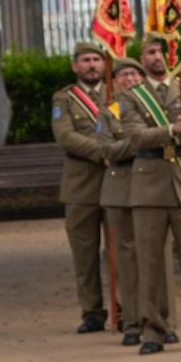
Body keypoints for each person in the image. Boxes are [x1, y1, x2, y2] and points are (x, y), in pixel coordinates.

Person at [115, 39, 181, 355]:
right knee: (149, 262)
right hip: (148, 184)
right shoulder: (131, 98)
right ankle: (154, 330)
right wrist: (173, 130)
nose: (157, 57)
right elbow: (135, 137)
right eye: (150, 53)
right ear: (142, 60)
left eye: (162, 51)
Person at [51, 41, 117, 335]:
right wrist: (102, 150)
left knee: (120, 250)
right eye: (86, 60)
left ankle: (123, 307)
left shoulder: (117, 94)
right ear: (75, 66)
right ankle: (92, 311)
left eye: (97, 60)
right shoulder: (64, 98)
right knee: (85, 252)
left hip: (117, 182)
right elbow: (65, 136)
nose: (92, 65)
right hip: (81, 186)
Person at [100, 56, 145, 345]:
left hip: (154, 185)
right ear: (114, 83)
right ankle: (132, 319)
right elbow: (107, 149)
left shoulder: (153, 107)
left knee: (154, 258)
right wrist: (141, 141)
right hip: (120, 188)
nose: (129, 79)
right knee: (126, 257)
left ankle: (159, 318)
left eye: (133, 74)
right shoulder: (108, 112)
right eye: (123, 75)